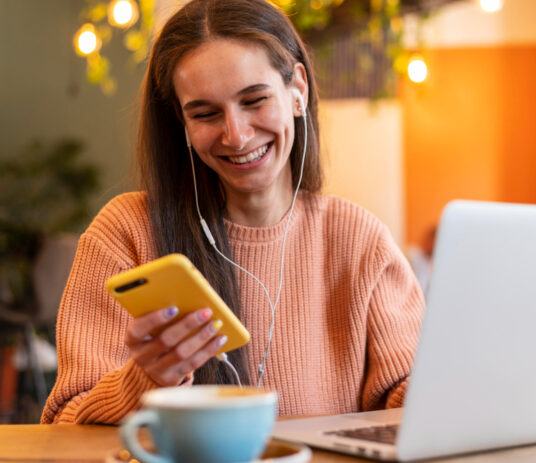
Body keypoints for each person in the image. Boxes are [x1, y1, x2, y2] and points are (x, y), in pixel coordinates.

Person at [41, 0, 423, 424]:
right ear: (181, 124)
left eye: (254, 100)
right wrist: (145, 381)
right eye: (205, 113)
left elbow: (407, 398)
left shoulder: (359, 239)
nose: (237, 135)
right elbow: (63, 425)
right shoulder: (126, 233)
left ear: (297, 90)